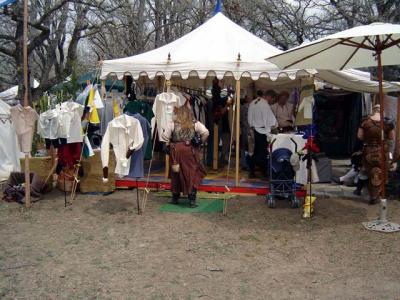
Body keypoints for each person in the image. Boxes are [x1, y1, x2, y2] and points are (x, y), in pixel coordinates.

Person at [162, 105, 209, 208]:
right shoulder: (195, 123)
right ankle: (192, 200)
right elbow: (206, 132)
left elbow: (165, 137)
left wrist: (167, 146)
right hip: (190, 151)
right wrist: (200, 142)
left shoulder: (172, 123)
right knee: (192, 173)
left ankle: (175, 198)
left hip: (176, 152)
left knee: (176, 174)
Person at [357, 104, 395, 204]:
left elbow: (360, 136)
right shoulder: (388, 122)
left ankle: (369, 195)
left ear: (373, 110)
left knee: (370, 173)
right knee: (380, 173)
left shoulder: (365, 121)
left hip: (369, 150)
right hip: (382, 151)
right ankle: (378, 195)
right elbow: (391, 138)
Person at [247, 90, 277, 178]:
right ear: (269, 97)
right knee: (262, 153)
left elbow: (249, 117)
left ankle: (251, 171)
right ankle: (263, 172)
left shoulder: (253, 102)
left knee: (252, 151)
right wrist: (273, 127)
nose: (271, 102)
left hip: (252, 130)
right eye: (272, 100)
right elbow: (270, 120)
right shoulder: (264, 104)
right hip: (261, 131)